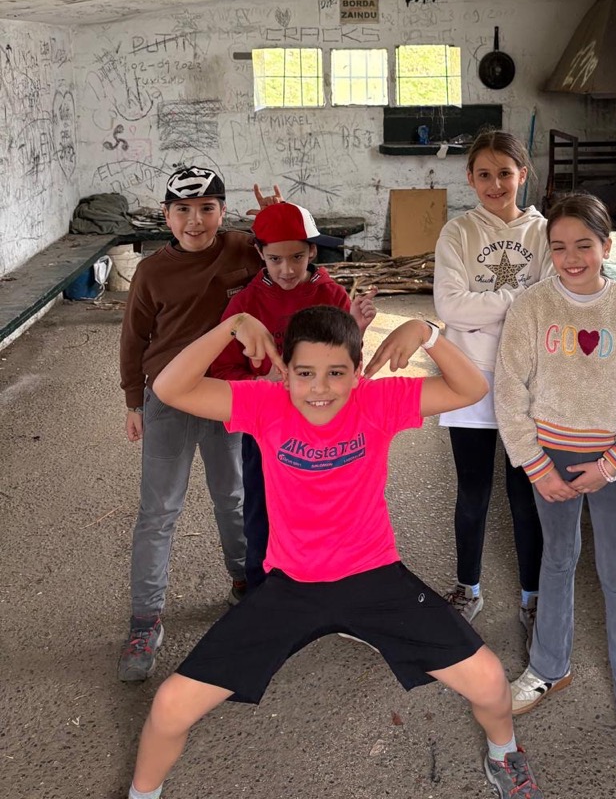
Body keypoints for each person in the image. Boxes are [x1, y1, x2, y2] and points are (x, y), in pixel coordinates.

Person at [126, 306, 546, 799]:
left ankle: (503, 754)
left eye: (336, 373)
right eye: (305, 373)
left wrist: (426, 333)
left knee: (490, 680)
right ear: (284, 371)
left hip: (373, 580)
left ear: (358, 370)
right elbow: (169, 388)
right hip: (290, 588)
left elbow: (471, 388)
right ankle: (142, 792)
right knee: (170, 705)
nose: (320, 389)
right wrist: (232, 325)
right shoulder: (264, 403)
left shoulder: (377, 401)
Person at [494, 193, 616, 769]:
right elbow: (509, 388)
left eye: (584, 245)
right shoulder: (531, 307)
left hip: (613, 466)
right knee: (557, 559)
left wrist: (612, 462)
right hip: (551, 460)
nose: (571, 258)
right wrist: (536, 465)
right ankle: (549, 666)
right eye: (560, 246)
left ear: (606, 247)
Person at [118, 168, 278, 682]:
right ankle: (145, 620)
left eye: (207, 209)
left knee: (232, 495)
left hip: (226, 396)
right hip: (168, 397)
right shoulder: (152, 272)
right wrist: (134, 401)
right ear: (165, 216)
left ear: (223, 213)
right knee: (159, 510)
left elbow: (289, 265)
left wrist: (275, 221)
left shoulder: (242, 249)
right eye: (183, 210)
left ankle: (244, 582)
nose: (195, 221)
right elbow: (133, 338)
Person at [208, 201, 378, 591]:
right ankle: (261, 591)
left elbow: (347, 366)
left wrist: (356, 329)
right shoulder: (244, 305)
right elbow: (222, 371)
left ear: (312, 251)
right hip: (266, 431)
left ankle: (322, 586)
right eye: (276, 259)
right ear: (259, 254)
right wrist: (262, 381)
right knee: (262, 511)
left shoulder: (332, 295)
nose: (287, 269)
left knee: (326, 509)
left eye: (297, 257)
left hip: (323, 429)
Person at [433, 129, 551, 634]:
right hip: (470, 377)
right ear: (470, 178)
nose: (495, 184)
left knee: (525, 493)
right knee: (473, 490)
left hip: (529, 378)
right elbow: (449, 306)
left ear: (522, 174)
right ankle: (468, 588)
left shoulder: (544, 233)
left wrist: (484, 310)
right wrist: (520, 301)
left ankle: (532, 597)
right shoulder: (458, 233)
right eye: (484, 174)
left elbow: (551, 305)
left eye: (505, 173)